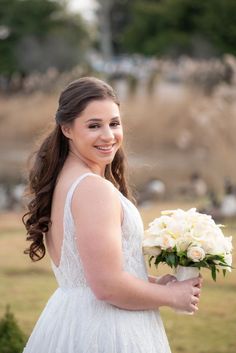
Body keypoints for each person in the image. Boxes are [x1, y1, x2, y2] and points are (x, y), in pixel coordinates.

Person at [22, 77, 202, 353]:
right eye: (94, 125)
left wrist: (153, 283)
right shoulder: (93, 189)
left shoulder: (65, 181)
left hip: (71, 318)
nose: (108, 135)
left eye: (114, 123)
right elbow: (107, 286)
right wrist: (170, 296)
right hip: (106, 328)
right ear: (67, 128)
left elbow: (89, 272)